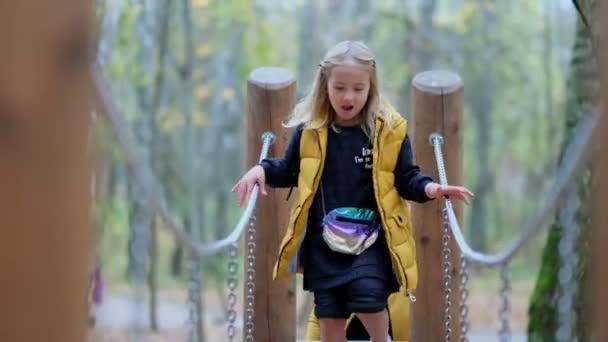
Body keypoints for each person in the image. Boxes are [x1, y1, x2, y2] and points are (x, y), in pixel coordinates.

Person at [232, 40, 473, 342]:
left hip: (371, 240)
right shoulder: (311, 130)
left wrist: (432, 187)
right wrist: (262, 170)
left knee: (368, 296)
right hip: (325, 243)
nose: (349, 96)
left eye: (358, 89)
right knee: (330, 319)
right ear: (325, 86)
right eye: (340, 87)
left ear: (371, 87)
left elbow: (406, 176)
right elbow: (289, 169)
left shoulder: (387, 130)